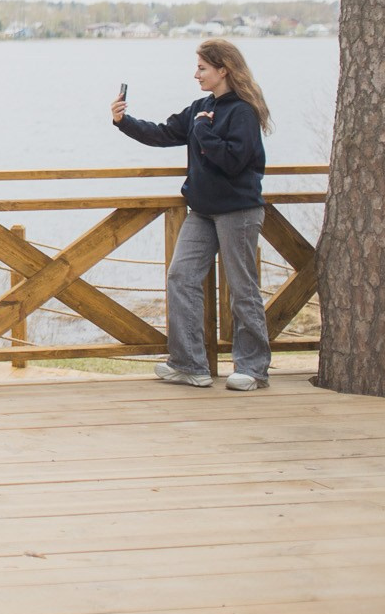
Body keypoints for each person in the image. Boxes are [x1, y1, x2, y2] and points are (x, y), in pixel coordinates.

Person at [112, 38, 273, 392]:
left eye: (202, 68)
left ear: (223, 70)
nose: (195, 74)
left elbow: (233, 161)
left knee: (242, 288)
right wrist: (124, 122)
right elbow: (165, 133)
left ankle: (254, 368)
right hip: (202, 211)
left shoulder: (242, 111)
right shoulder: (201, 106)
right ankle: (189, 365)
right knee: (181, 278)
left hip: (239, 212)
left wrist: (202, 131)